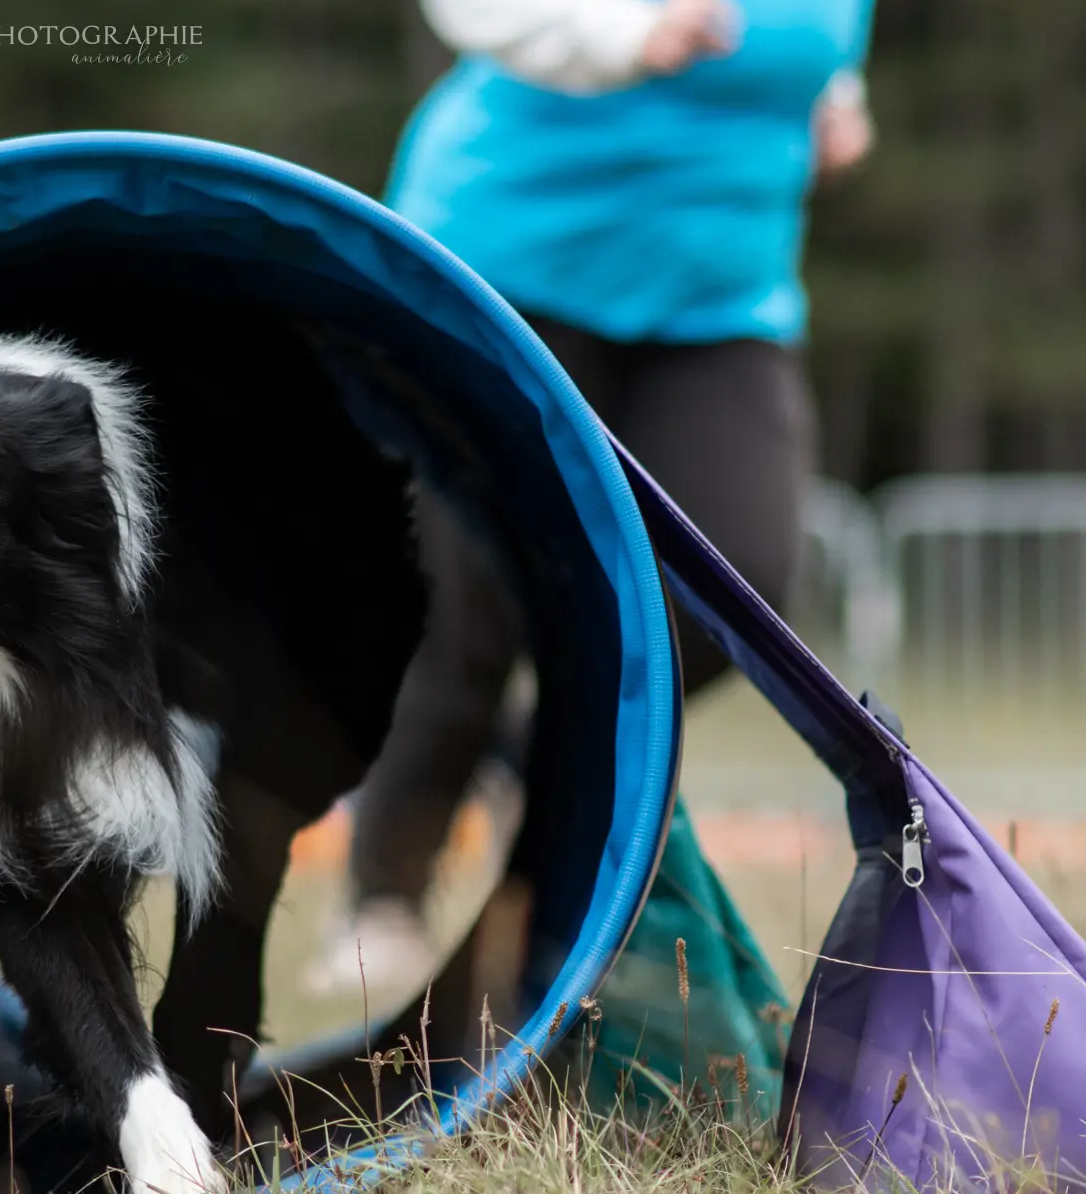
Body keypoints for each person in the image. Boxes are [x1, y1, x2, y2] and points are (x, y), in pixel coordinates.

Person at [303, 0, 876, 996]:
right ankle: (383, 900)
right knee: (460, 610)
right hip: (509, 263)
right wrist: (619, 32)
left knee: (737, 585)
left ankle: (547, 789)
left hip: (717, 300)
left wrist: (833, 98)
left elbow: (815, 46)